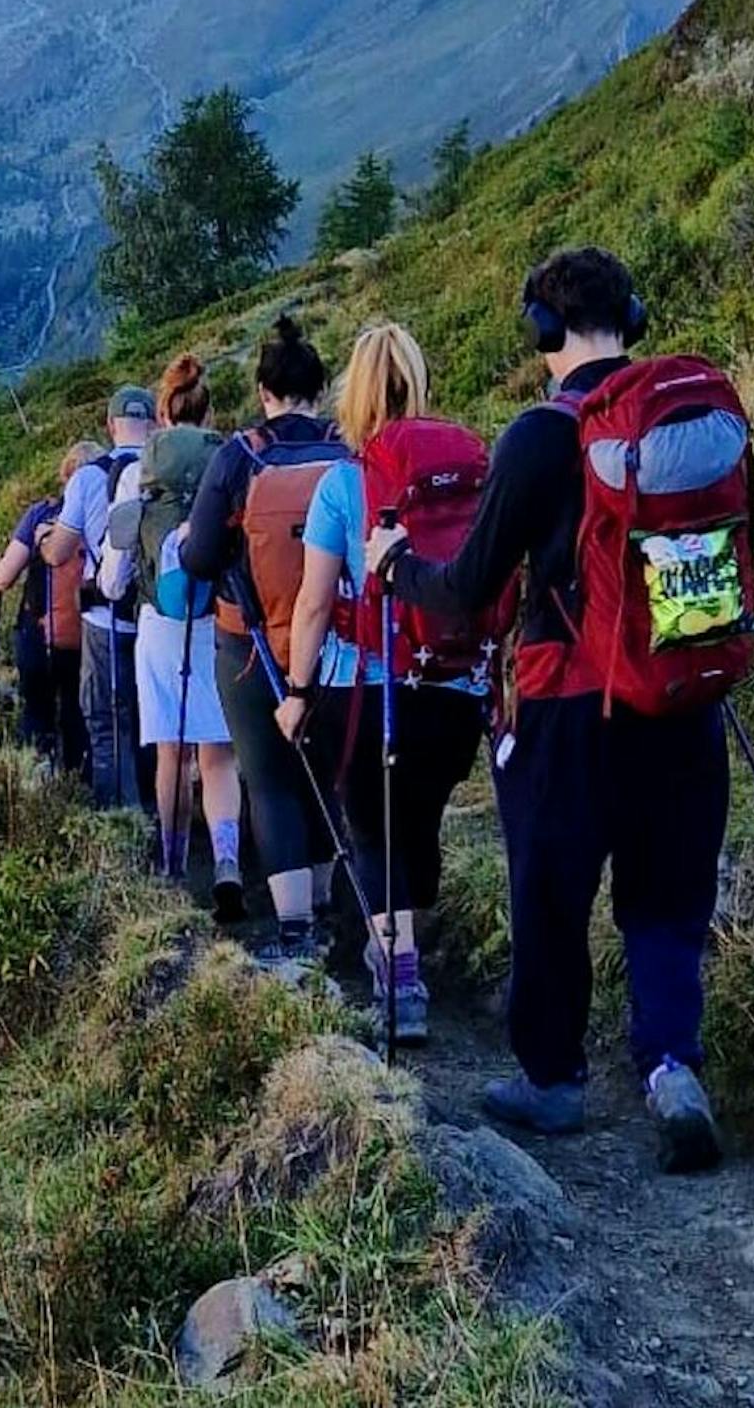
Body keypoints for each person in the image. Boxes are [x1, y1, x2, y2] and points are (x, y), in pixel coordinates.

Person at [366, 248, 727, 1172]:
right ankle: (671, 1067)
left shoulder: (539, 435)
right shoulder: (686, 412)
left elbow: (466, 587)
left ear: (543, 328)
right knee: (666, 894)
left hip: (572, 703)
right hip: (684, 694)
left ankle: (554, 1080)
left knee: (551, 890)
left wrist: (395, 566)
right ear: (632, 317)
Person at [276, 324, 484, 1047]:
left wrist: (296, 691)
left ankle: (400, 972)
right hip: (456, 684)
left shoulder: (343, 483)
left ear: (355, 395)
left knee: (371, 827)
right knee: (419, 819)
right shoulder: (468, 472)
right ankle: (403, 944)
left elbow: (313, 603)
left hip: (364, 688)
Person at [181, 317, 347, 964]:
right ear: (320, 389)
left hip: (249, 643)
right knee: (326, 773)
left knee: (270, 778)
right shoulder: (348, 450)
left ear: (262, 391)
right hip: (338, 643)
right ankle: (329, 904)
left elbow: (199, 557)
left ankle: (295, 931)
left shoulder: (238, 456)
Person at [98, 357, 245, 921]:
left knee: (172, 752)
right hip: (219, 620)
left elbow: (113, 576)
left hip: (160, 624)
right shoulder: (228, 461)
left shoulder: (139, 471)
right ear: (209, 412)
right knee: (219, 754)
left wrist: (117, 586)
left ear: (162, 411)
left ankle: (172, 865)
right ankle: (228, 861)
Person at [44, 385, 152, 809]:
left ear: (110, 425)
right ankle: (162, 819)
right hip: (159, 618)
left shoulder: (89, 477)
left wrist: (43, 540)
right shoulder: (164, 472)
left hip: (103, 619)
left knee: (106, 723)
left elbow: (59, 552)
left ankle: (120, 821)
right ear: (154, 423)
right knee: (151, 724)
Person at [0, 441, 99, 776]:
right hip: (89, 636)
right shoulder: (104, 516)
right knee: (79, 715)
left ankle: (39, 780)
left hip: (38, 634)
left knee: (37, 712)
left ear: (65, 476)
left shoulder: (41, 515)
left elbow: (3, 578)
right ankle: (80, 782)